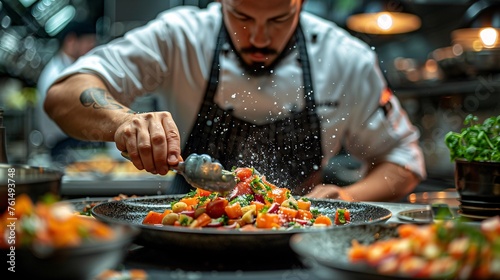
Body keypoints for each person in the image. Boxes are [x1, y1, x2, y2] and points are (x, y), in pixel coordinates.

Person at [44, 0, 426, 201]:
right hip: (188, 231)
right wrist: (124, 122)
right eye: (241, 16)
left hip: (303, 237)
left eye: (279, 19)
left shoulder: (347, 58)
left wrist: (346, 196)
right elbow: (62, 96)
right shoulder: (182, 37)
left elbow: (406, 159)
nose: (259, 38)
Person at [35, 21, 104, 165]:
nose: (92, 49)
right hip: (63, 148)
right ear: (71, 41)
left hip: (74, 144)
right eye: (89, 43)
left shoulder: (72, 68)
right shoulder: (55, 75)